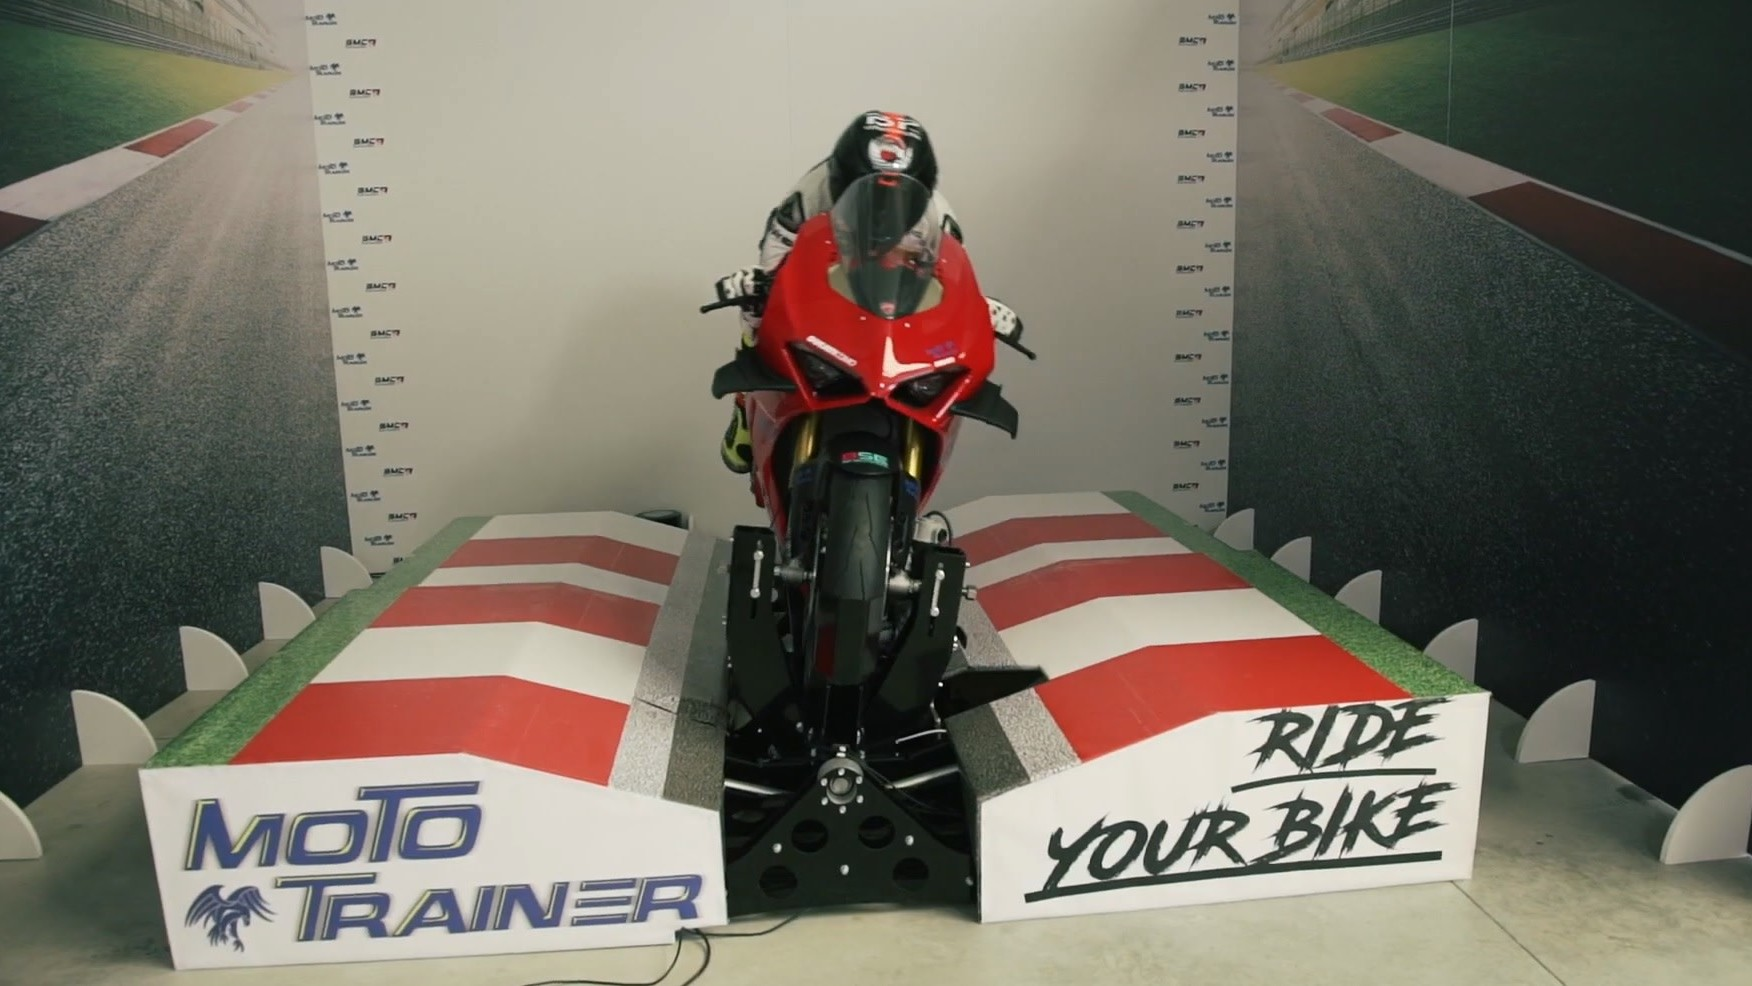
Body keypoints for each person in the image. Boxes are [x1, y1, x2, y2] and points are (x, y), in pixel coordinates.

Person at [711, 110, 1023, 474]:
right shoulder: (807, 198)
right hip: (831, 277)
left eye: (897, 195)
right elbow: (774, 262)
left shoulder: (940, 217)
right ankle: (743, 410)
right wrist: (759, 287)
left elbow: (952, 278)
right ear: (840, 178)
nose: (881, 209)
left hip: (892, 291)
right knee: (755, 315)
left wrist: (977, 310)